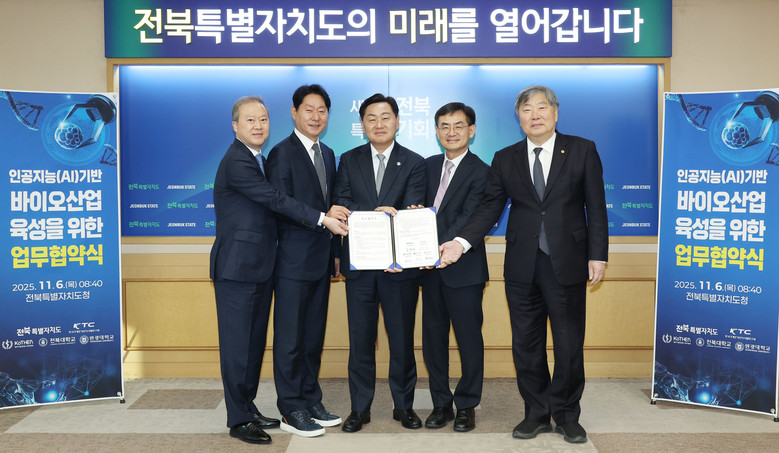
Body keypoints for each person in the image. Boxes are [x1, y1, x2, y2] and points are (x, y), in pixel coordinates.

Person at [438, 85, 608, 444]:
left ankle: (566, 414)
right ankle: (536, 413)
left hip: (567, 262)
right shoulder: (506, 157)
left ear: (555, 113)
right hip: (521, 265)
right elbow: (490, 207)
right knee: (526, 344)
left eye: (541, 108)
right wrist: (460, 242)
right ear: (519, 118)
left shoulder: (582, 149)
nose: (535, 115)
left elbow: (596, 205)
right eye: (527, 110)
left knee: (568, 343)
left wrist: (598, 255)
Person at [210, 95, 348, 445]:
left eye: (263, 120)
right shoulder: (238, 161)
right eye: (250, 120)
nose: (258, 126)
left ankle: (248, 407)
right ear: (235, 126)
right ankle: (239, 419)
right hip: (237, 267)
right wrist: (323, 219)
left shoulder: (257, 158)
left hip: (261, 266)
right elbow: (275, 200)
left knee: (253, 345)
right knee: (238, 347)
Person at [333, 93, 426, 433]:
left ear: (397, 121)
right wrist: (374, 214)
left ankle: (404, 407)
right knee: (361, 340)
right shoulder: (348, 160)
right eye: (371, 118)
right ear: (362, 125)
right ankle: (360, 409)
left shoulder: (414, 162)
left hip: (399, 268)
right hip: (360, 265)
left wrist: (396, 214)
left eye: (386, 117)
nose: (379, 124)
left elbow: (415, 207)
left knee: (401, 339)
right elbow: (341, 203)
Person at [266, 85, 344, 437]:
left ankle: (311, 399)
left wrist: (335, 253)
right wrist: (321, 219)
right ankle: (291, 408)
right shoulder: (281, 153)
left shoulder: (327, 153)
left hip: (321, 260)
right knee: (290, 340)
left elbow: (331, 209)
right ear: (294, 112)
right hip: (292, 262)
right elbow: (280, 204)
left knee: (312, 337)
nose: (315, 117)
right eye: (309, 110)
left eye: (322, 110)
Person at [421, 102, 489, 433]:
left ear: (471, 131)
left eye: (458, 126)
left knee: (468, 340)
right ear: (437, 132)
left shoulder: (483, 171)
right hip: (427, 269)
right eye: (445, 126)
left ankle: (466, 405)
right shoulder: (427, 166)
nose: (451, 132)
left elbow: (470, 217)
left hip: (464, 269)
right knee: (433, 340)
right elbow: (417, 209)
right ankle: (440, 404)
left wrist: (436, 246)